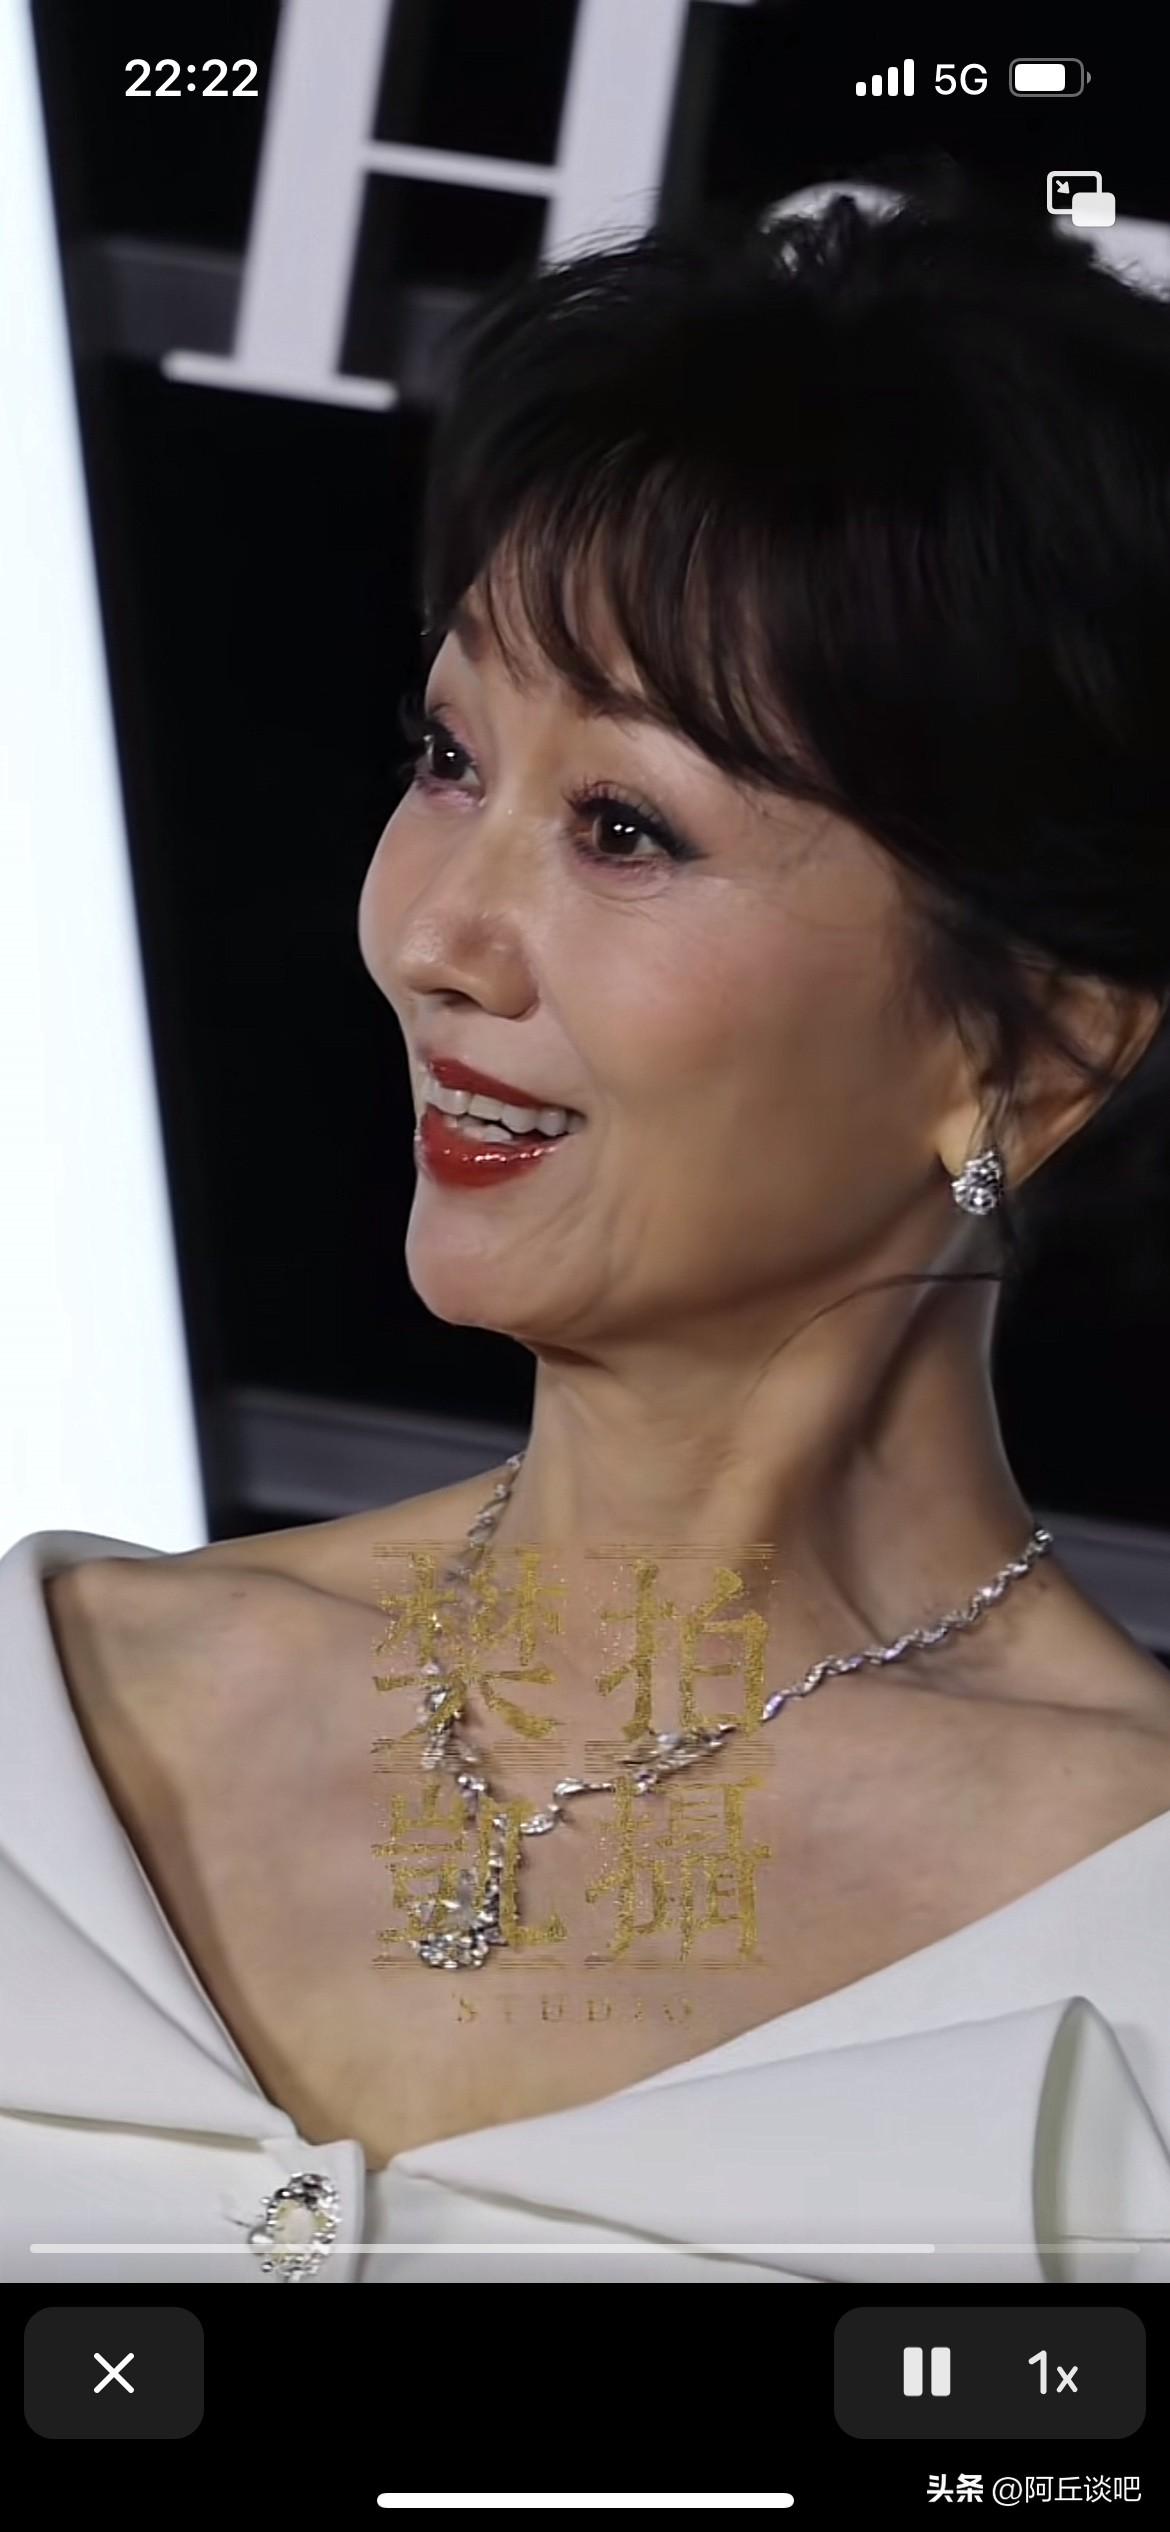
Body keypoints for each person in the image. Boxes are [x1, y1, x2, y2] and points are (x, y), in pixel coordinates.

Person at [4, 182, 1170, 2286]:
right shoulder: (48, 1719)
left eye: (623, 827)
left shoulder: (1128, 1924)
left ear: (1033, 1051)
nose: (432, 935)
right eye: (449, 760)